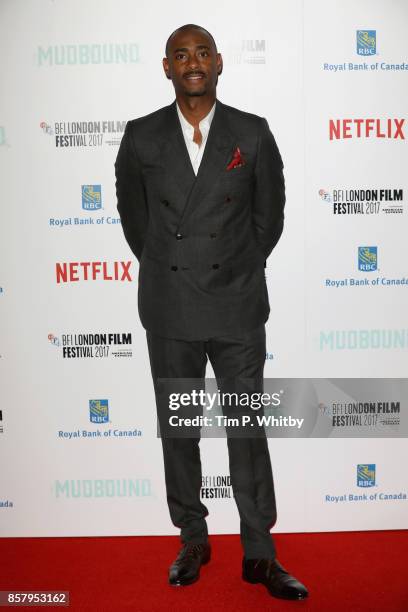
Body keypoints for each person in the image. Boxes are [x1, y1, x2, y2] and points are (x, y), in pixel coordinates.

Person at [115, 23, 308, 601]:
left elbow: (267, 218)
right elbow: (137, 223)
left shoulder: (251, 131)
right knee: (180, 428)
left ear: (219, 63)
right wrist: (173, 265)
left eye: (201, 52)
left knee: (247, 429)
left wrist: (237, 266)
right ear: (166, 66)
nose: (192, 62)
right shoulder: (142, 137)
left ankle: (259, 552)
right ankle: (192, 539)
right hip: (171, 308)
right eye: (181, 54)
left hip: (237, 307)